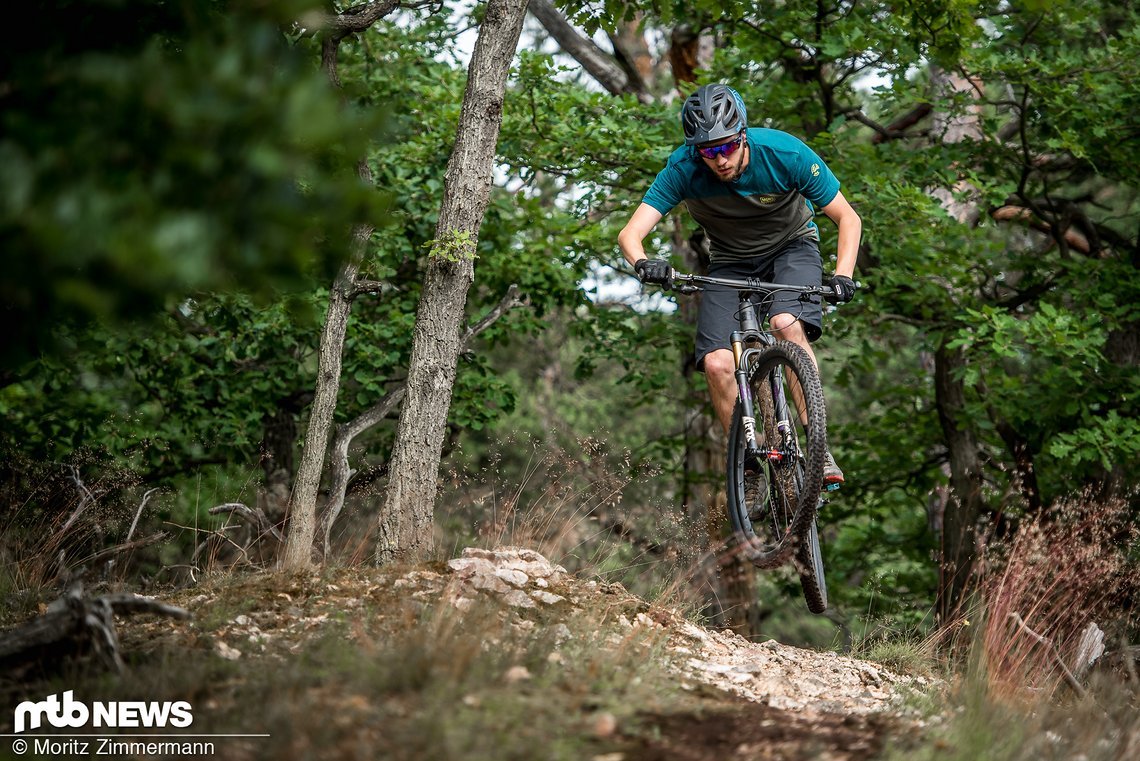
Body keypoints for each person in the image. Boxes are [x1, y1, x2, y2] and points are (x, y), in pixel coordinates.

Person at [617, 82, 861, 485]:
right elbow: (630, 235)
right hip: (730, 261)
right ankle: (747, 464)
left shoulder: (784, 153)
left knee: (785, 322)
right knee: (716, 363)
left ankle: (818, 445)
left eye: (727, 146)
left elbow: (848, 218)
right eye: (708, 152)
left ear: (744, 135)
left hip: (792, 247)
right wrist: (645, 264)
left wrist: (844, 274)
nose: (719, 159)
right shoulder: (684, 169)